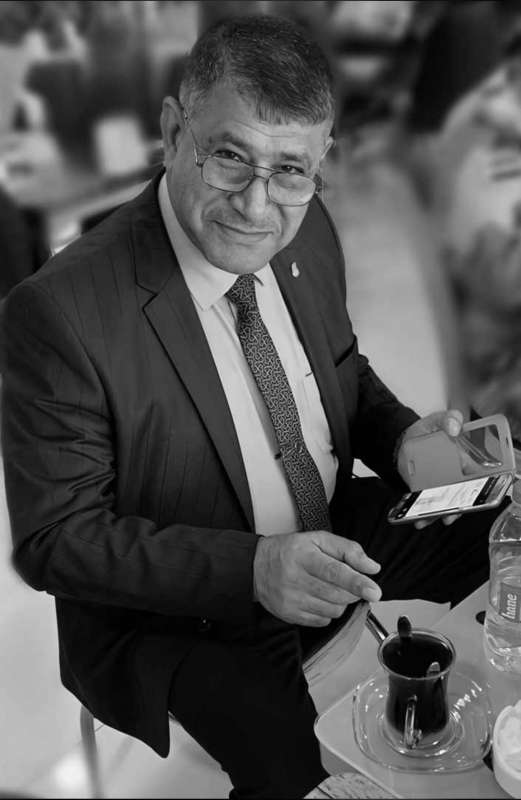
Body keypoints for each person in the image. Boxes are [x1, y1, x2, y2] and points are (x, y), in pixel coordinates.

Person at [0, 15, 507, 800]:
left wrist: (405, 443)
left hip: (328, 529)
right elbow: (55, 541)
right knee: (303, 774)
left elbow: (338, 368)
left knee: (503, 517)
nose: (257, 206)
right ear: (174, 132)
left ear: (319, 160)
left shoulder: (308, 227)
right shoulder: (60, 313)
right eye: (230, 157)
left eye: (290, 170)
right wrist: (255, 569)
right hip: (184, 610)